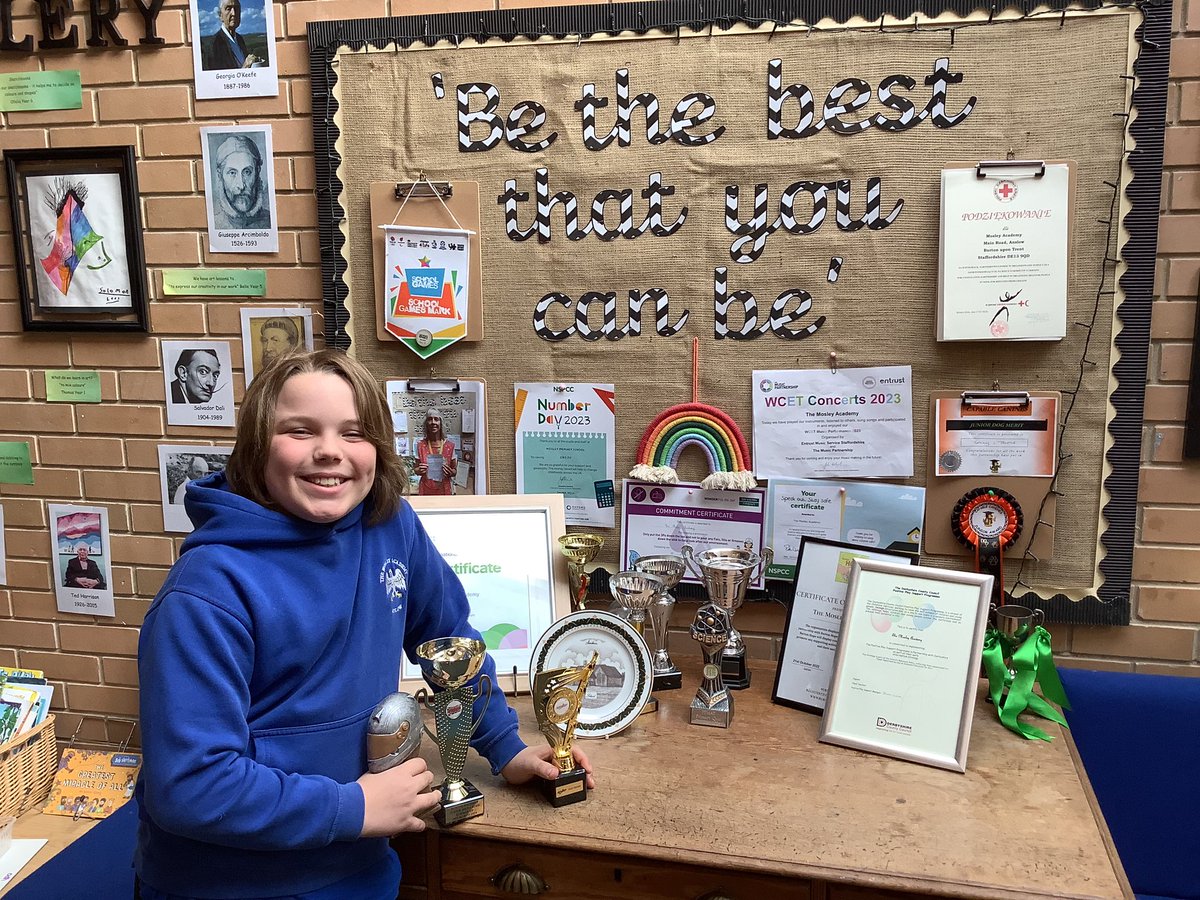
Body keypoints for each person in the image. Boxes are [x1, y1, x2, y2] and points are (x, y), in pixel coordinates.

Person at [135, 349, 592, 899]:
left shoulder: (389, 523)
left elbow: (451, 641)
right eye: (300, 431)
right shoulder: (205, 592)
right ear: (257, 446)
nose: (330, 451)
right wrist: (353, 806)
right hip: (229, 884)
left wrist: (506, 746)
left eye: (354, 433)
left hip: (363, 864)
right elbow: (190, 787)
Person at [210, 134, 271, 231]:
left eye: (247, 172)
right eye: (232, 173)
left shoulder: (270, 221)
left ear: (257, 171)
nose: (241, 185)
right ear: (219, 175)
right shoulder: (214, 224)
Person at [200, 0, 263, 71]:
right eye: (228, 9)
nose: (234, 13)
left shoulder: (240, 39)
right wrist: (245, 67)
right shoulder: (213, 45)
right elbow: (217, 79)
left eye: (236, 8)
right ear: (220, 15)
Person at [413, 408, 457, 496]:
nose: (433, 422)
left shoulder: (449, 446)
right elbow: (416, 470)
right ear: (426, 424)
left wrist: (450, 472)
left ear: (440, 423)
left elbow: (455, 471)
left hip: (444, 489)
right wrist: (419, 470)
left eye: (436, 419)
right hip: (426, 490)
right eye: (430, 419)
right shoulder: (420, 445)